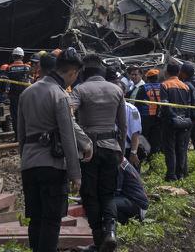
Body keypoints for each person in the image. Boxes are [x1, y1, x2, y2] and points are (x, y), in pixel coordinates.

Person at [17, 48, 89, 252]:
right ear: (73, 72)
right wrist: (76, 174)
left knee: (36, 219)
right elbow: (68, 137)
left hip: (30, 164)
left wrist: (25, 160)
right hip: (53, 166)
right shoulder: (60, 96)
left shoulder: (26, 92)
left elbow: (21, 135)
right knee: (51, 220)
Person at [70, 54, 127, 252]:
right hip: (112, 148)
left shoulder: (80, 89)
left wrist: (80, 140)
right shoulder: (117, 90)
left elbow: (68, 113)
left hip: (89, 151)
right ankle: (110, 231)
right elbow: (123, 125)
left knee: (90, 194)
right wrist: (121, 150)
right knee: (108, 194)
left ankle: (97, 237)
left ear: (84, 72)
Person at [160, 61, 192, 181]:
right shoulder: (185, 86)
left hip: (170, 122)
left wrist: (173, 117)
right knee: (181, 148)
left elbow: (164, 105)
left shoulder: (164, 85)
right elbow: (189, 106)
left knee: (170, 149)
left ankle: (171, 175)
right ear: (178, 72)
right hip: (183, 122)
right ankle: (180, 174)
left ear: (167, 72)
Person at [134, 69, 162, 156]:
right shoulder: (163, 87)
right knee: (156, 139)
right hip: (159, 117)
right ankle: (154, 158)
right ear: (157, 78)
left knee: (144, 138)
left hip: (146, 117)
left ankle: (143, 156)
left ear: (148, 78)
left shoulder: (143, 88)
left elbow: (137, 103)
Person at [115, 158, 149, 225]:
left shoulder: (120, 166)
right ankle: (125, 221)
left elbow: (116, 191)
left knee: (107, 204)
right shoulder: (124, 163)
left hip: (137, 205)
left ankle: (126, 222)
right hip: (134, 203)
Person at [7, 47, 32, 135]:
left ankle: (17, 135)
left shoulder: (9, 68)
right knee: (27, 114)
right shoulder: (27, 67)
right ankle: (27, 133)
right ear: (22, 56)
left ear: (13, 56)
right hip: (26, 94)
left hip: (13, 95)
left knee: (15, 115)